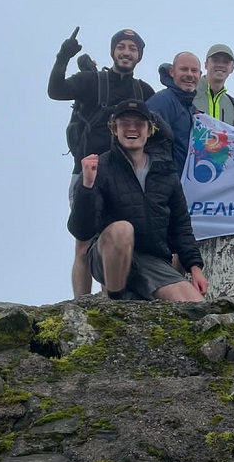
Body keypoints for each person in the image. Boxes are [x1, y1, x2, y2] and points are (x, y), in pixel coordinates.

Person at [48, 27, 156, 297]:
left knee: (115, 241)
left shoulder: (144, 91)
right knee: (84, 243)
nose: (126, 53)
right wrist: (63, 57)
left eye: (132, 49)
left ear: (139, 56)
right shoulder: (91, 81)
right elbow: (56, 90)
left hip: (126, 177)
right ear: (113, 51)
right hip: (87, 173)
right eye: (121, 47)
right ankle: (81, 306)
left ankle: (108, 302)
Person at [67, 98, 207, 303]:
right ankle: (116, 301)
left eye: (139, 124)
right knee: (122, 230)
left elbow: (181, 226)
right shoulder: (101, 166)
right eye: (124, 123)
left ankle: (138, 293)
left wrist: (195, 268)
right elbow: (82, 231)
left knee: (197, 307)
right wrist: (86, 187)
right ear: (114, 129)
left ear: (150, 130)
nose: (132, 128)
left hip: (151, 260)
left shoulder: (167, 173)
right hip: (107, 255)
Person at [147, 51, 201, 176]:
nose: (189, 74)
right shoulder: (161, 102)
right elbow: (150, 147)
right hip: (163, 184)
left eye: (194, 71)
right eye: (184, 69)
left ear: (200, 74)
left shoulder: (193, 110)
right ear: (172, 72)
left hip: (185, 186)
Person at [193, 44, 234, 126]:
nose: (220, 65)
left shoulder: (233, 106)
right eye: (215, 60)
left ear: (232, 68)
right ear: (206, 64)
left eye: (226, 62)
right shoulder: (189, 94)